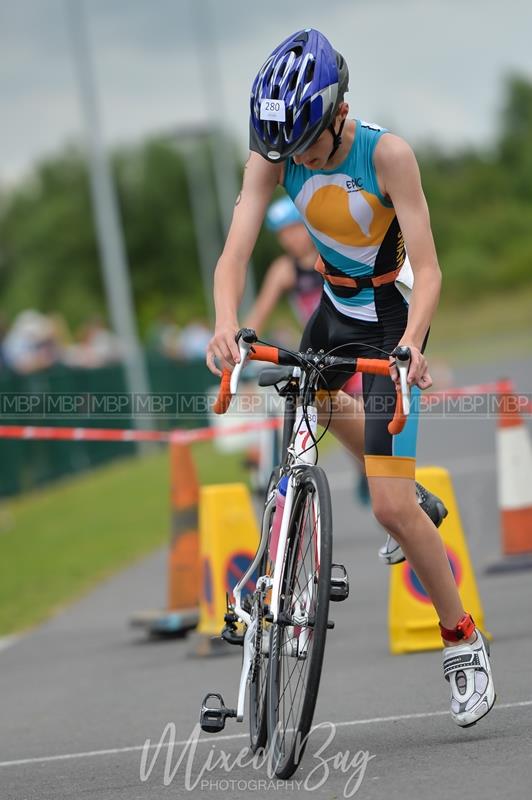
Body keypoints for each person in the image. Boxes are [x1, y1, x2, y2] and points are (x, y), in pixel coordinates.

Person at [206, 28, 495, 727]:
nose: (295, 160)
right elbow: (235, 249)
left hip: (390, 321)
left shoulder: (385, 153)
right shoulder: (274, 156)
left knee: (391, 508)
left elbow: (429, 270)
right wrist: (223, 320)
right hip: (330, 318)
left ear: (339, 112)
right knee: (302, 430)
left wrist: (415, 346)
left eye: (306, 145)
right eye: (285, 150)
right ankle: (285, 558)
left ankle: (462, 640)